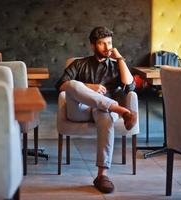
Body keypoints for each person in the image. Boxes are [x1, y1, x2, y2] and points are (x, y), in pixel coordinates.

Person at [55, 26, 137, 193]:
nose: (107, 48)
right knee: (72, 84)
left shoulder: (116, 65)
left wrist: (120, 58)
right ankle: (120, 110)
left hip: (104, 112)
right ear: (93, 45)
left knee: (105, 116)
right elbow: (61, 85)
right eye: (102, 44)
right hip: (80, 110)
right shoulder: (79, 64)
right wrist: (88, 87)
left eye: (109, 43)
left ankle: (102, 175)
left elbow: (130, 85)